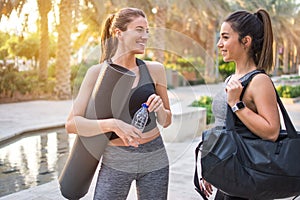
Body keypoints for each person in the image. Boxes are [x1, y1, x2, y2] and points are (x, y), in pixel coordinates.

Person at [65, 7, 172, 200]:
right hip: (116, 159)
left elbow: (166, 121)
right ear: (118, 33)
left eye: (147, 31)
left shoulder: (155, 70)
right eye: (139, 29)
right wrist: (113, 124)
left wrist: (160, 109)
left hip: (155, 158)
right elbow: (72, 124)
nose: (145, 36)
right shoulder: (97, 73)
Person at [200, 8, 280, 200]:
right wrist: (211, 166)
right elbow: (221, 125)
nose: (220, 44)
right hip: (230, 176)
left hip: (247, 180)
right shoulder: (231, 79)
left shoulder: (259, 81)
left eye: (225, 37)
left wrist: (237, 104)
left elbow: (272, 131)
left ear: (246, 41)